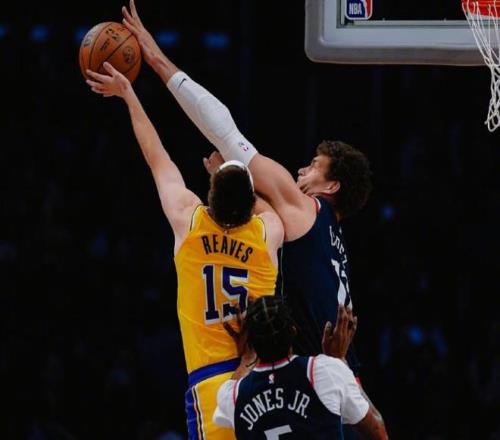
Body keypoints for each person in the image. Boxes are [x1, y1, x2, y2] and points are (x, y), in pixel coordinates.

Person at [120, 0, 373, 372]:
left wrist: (156, 59)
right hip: (344, 381)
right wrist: (229, 180)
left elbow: (225, 133)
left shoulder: (306, 209)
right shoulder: (330, 240)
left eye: (314, 167)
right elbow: (261, 209)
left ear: (332, 186)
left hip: (317, 382)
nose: (301, 169)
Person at [85, 62, 284, 440]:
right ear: (249, 203)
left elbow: (157, 157)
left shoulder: (188, 221)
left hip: (213, 384)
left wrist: (129, 95)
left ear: (210, 193)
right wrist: (229, 179)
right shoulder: (266, 233)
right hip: (266, 382)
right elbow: (269, 208)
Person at [213, 296, 388, 439]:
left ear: (251, 342)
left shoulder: (233, 395)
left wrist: (246, 359)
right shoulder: (324, 372)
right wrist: (340, 360)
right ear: (293, 331)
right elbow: (379, 432)